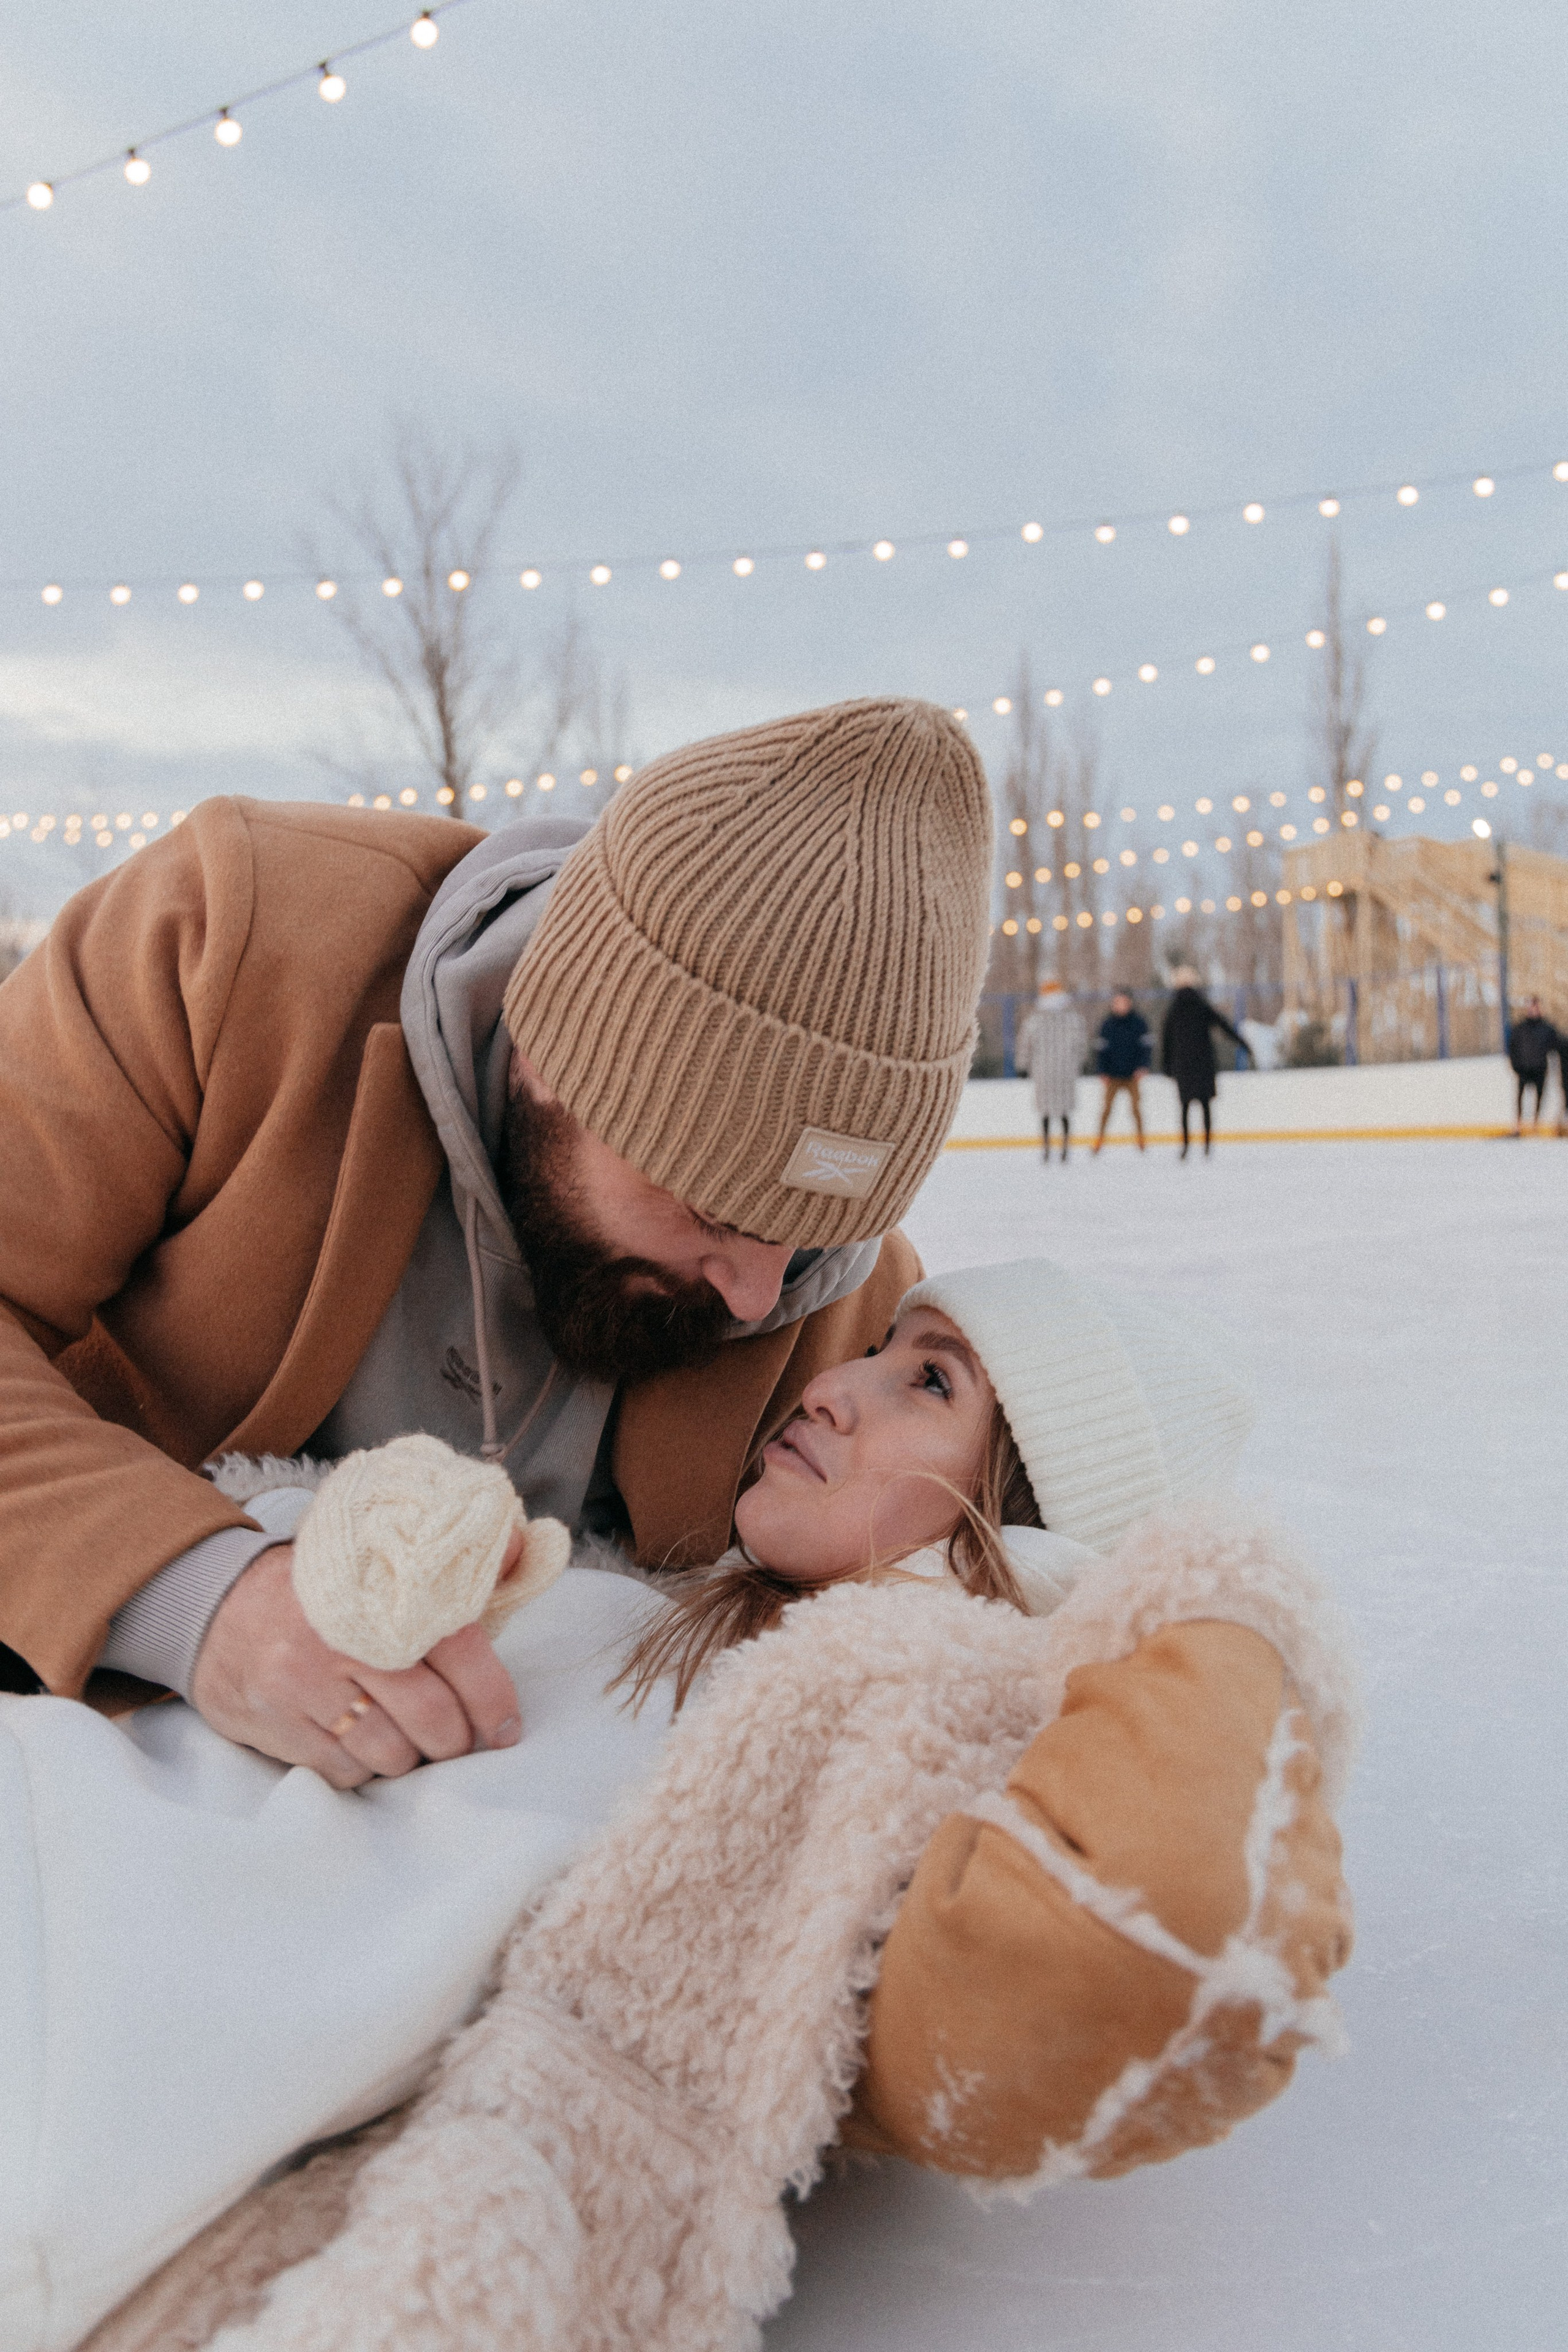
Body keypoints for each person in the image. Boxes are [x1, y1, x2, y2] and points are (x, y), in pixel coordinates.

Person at [72, 1259, 1355, 2351]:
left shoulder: (875, 1762)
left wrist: (1211, 1600)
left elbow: (1154, 1911)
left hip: (130, 2052)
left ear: (1027, 1524)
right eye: (880, 1353)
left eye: (929, 1382)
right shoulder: (643, 1599)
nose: (830, 1385)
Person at [0, 698, 993, 1780]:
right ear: (553, 1055)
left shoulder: (844, 1295)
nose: (761, 1297)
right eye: (714, 1211)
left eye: (811, 1234)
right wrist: (198, 1603)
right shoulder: (228, 945)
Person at [1161, 964, 1248, 1158]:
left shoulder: (1174, 1009)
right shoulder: (1201, 1004)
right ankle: (1207, 1146)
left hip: (1183, 1065)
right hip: (1203, 1063)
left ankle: (1185, 1146)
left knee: (1185, 1107)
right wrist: (1242, 1043)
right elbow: (1223, 1025)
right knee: (1205, 1106)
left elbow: (1166, 1040)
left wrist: (1166, 1065)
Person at [1015, 976, 1087, 1161]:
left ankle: (1051, 1147)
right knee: (1059, 1111)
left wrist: (1022, 1066)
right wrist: (1079, 1063)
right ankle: (1061, 1147)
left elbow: (1025, 1045)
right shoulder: (1072, 1020)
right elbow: (1081, 1046)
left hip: (1046, 1070)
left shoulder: (1035, 1021)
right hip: (1061, 1070)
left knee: (1049, 1111)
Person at [1091, 988, 1152, 1152]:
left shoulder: (1139, 1023)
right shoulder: (1107, 1025)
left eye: (1124, 1002)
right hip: (1112, 1075)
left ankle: (1141, 1139)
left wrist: (1143, 1066)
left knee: (1136, 1109)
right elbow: (1101, 1050)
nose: (1121, 1006)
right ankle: (1099, 1140)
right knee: (1106, 1109)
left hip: (1133, 1075)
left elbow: (1146, 1047)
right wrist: (1102, 1070)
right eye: (1118, 1002)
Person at [1508, 997, 1559, 1134]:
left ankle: (1535, 1125)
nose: (1533, 1010)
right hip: (1524, 1068)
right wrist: (1515, 1065)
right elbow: (1512, 1047)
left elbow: (1556, 1045)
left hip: (1540, 1068)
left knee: (1539, 1095)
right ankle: (1518, 1125)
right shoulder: (1520, 1028)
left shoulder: (1547, 1028)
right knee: (1520, 1097)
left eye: (1536, 1007)